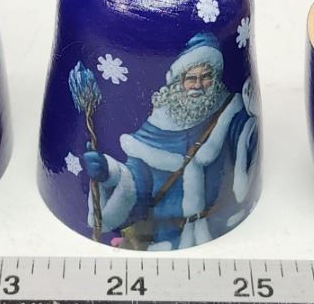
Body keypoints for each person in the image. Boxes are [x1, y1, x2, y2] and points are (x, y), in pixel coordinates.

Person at [79, 33, 259, 250]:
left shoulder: (229, 115)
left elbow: (246, 142)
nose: (198, 85)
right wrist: (108, 172)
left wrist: (251, 119)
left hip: (220, 232)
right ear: (178, 82)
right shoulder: (157, 127)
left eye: (206, 77)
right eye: (190, 78)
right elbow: (137, 180)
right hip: (164, 237)